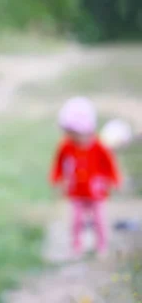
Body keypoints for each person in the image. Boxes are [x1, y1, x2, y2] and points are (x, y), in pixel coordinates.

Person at [49, 97, 121, 259]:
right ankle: (77, 246)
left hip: (96, 192)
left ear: (85, 129)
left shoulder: (98, 146)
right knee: (76, 221)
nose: (71, 137)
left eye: (74, 133)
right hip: (76, 191)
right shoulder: (66, 146)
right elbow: (59, 164)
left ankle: (101, 246)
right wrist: (56, 178)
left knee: (99, 220)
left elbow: (109, 164)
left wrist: (115, 180)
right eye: (69, 133)